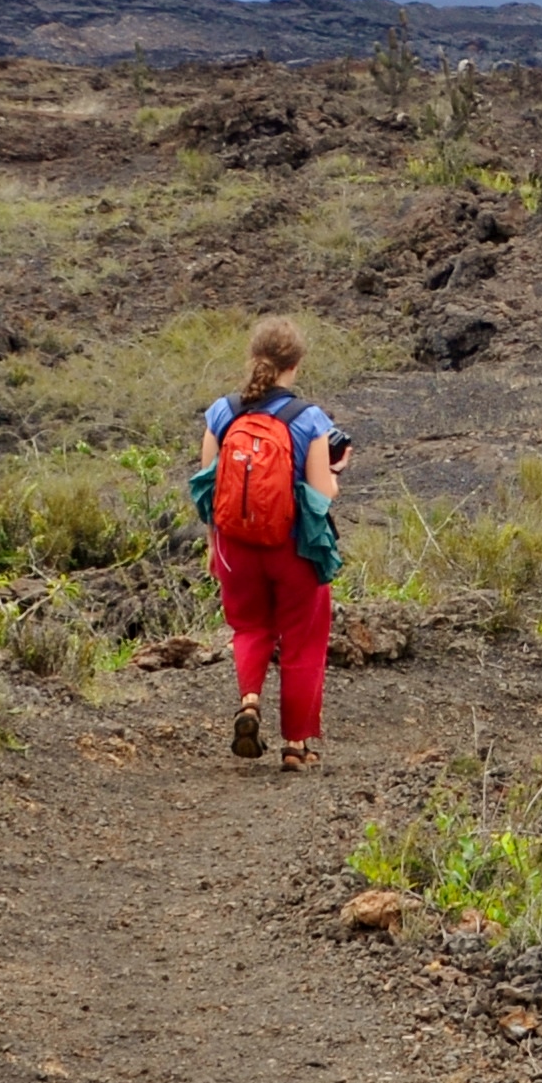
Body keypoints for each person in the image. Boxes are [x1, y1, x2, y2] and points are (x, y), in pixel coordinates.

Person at [191, 316, 349, 769]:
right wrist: (337, 470)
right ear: (295, 365)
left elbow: (207, 492)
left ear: (253, 358)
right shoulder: (309, 419)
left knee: (249, 628)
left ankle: (249, 701)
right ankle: (297, 746)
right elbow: (321, 497)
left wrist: (213, 547)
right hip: (294, 548)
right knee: (303, 640)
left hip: (235, 548)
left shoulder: (221, 413)